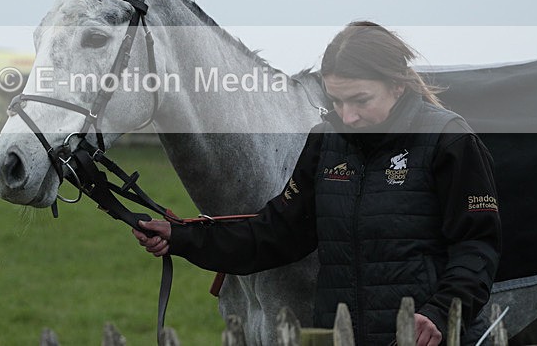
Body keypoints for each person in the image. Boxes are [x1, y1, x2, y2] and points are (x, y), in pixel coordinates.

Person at [133, 21, 501, 346]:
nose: (348, 115)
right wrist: (181, 237)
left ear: (397, 86)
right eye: (337, 101)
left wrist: (440, 312)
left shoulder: (449, 140)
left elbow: (476, 247)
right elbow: (275, 234)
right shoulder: (325, 143)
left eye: (360, 100)